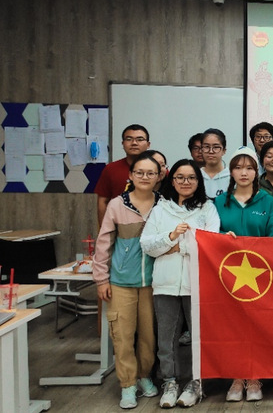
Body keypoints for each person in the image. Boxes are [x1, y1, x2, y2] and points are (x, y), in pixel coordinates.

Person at [141, 159, 220, 408]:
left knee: (199, 337)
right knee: (166, 338)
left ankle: (197, 382)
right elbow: (147, 245)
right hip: (165, 282)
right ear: (172, 180)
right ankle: (170, 382)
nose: (186, 182)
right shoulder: (160, 209)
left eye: (191, 178)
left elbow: (210, 244)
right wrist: (172, 237)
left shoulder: (208, 208)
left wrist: (176, 248)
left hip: (197, 283)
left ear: (198, 181)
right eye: (180, 177)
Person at [92, 151, 161, 409]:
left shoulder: (164, 205)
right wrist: (101, 279)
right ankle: (128, 384)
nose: (145, 177)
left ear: (159, 177)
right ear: (131, 175)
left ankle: (145, 377)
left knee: (149, 336)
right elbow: (104, 243)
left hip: (154, 283)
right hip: (121, 282)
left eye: (150, 173)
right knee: (122, 335)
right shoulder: (116, 205)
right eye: (139, 172)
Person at [214, 147, 273, 403]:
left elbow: (272, 238)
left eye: (250, 168)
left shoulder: (268, 201)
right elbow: (210, 234)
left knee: (257, 327)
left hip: (259, 276)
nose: (244, 173)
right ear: (230, 172)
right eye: (238, 168)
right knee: (232, 328)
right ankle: (237, 377)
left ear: (256, 172)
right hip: (227, 277)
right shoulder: (219, 202)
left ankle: (254, 377)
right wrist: (222, 238)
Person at [96, 124, 150, 225]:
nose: (134, 143)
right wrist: (104, 229)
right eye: (129, 139)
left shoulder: (158, 169)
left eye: (140, 139)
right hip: (120, 225)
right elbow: (103, 201)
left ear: (148, 144)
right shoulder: (111, 169)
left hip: (152, 225)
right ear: (123, 143)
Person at [200, 128, 229, 199]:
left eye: (216, 147)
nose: (211, 151)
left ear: (224, 151)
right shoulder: (196, 176)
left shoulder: (232, 176)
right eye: (206, 147)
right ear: (201, 150)